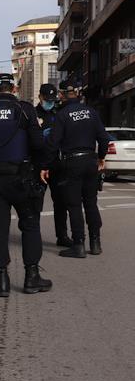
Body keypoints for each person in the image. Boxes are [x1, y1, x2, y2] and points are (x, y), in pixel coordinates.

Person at [0, 73, 52, 297]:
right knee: (30, 225)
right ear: (14, 89)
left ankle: (2, 280)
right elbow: (37, 143)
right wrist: (43, 166)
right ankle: (31, 277)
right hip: (21, 178)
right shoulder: (25, 109)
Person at [47, 79, 112, 257]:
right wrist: (101, 158)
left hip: (72, 162)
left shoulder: (62, 114)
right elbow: (104, 139)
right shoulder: (92, 112)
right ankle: (96, 242)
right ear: (78, 93)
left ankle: (79, 245)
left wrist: (46, 165)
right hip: (91, 161)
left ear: (62, 94)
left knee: (74, 204)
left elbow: (53, 143)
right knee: (91, 203)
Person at [35, 83, 72, 247]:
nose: (49, 102)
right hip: (39, 164)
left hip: (57, 164)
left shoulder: (60, 113)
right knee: (36, 202)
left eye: (52, 99)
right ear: (40, 97)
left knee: (61, 202)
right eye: (46, 99)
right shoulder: (33, 114)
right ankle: (33, 235)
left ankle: (62, 235)